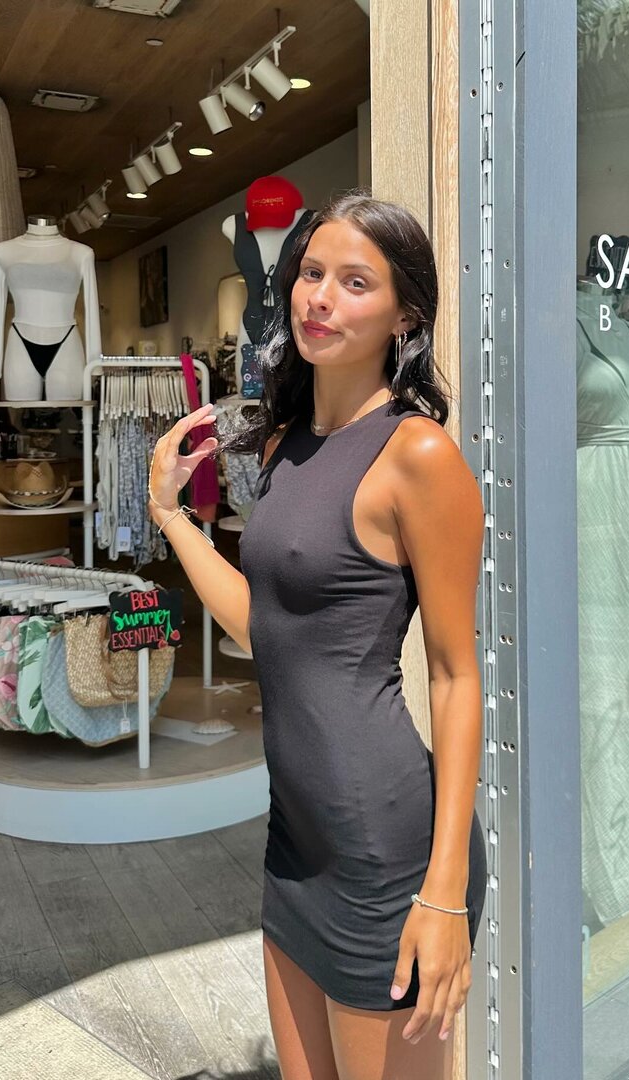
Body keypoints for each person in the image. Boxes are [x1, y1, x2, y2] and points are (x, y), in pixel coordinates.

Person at [148, 193, 487, 1080]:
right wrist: (171, 516)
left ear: (405, 314)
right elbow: (268, 630)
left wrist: (445, 891)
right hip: (296, 840)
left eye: (355, 282)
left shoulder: (418, 456)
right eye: (311, 274)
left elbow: (456, 676)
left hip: (387, 851)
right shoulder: (284, 447)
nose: (320, 298)